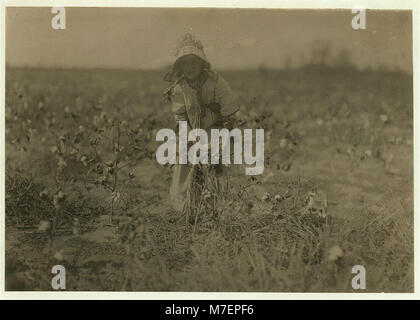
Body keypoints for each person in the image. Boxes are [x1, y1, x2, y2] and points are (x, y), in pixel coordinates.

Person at [163, 33, 239, 213]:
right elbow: (181, 116)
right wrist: (190, 137)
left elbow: (229, 113)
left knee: (215, 162)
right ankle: (184, 207)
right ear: (180, 67)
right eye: (185, 64)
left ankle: (216, 207)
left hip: (217, 129)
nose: (190, 68)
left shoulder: (217, 83)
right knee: (183, 159)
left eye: (194, 62)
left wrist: (223, 138)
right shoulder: (180, 87)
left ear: (202, 63)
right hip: (190, 131)